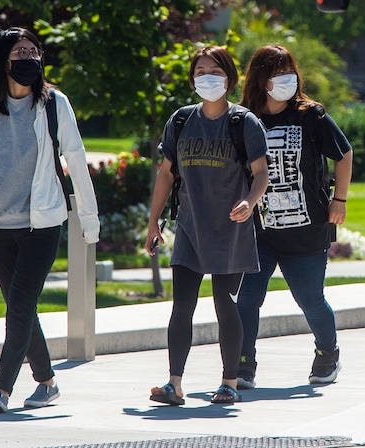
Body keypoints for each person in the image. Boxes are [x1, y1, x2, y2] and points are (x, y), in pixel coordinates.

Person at [0, 27, 100, 413]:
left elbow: (76, 159)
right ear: (3, 61)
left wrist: (89, 220)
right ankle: (48, 382)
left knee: (19, 306)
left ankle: (1, 389)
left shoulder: (54, 103)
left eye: (34, 52)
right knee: (21, 307)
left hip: (43, 224)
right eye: (20, 52)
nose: (29, 58)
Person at [144, 45, 270, 405]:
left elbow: (261, 172)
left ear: (229, 78)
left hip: (231, 230)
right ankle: (174, 383)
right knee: (181, 306)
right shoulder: (181, 120)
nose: (207, 78)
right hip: (190, 228)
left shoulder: (244, 122)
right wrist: (153, 222)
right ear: (192, 80)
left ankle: (229, 383)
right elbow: (166, 174)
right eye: (200, 72)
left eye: (215, 71)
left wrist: (250, 201)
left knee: (225, 306)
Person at [235, 44, 353, 389]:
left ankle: (328, 352)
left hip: (306, 231)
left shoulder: (311, 116)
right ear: (261, 79)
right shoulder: (244, 119)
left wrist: (339, 199)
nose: (286, 78)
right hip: (258, 231)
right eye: (277, 72)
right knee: (247, 299)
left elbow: (344, 154)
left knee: (309, 299)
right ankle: (243, 363)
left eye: (289, 71)